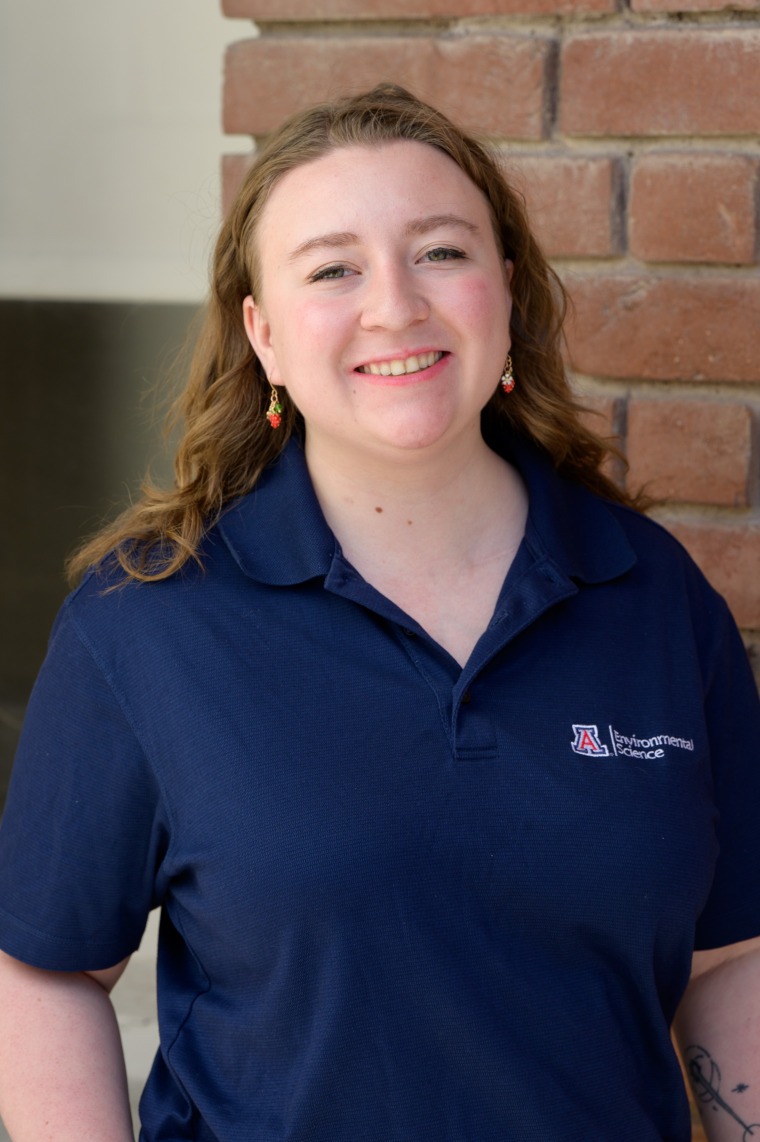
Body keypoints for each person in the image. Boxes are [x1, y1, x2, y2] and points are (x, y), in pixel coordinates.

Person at [0, 83, 758, 1142]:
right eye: (332, 269)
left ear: (505, 286)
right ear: (262, 334)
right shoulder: (147, 621)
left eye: (440, 252)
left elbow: (728, 959)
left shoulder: (651, 595)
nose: (394, 304)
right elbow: (48, 969)